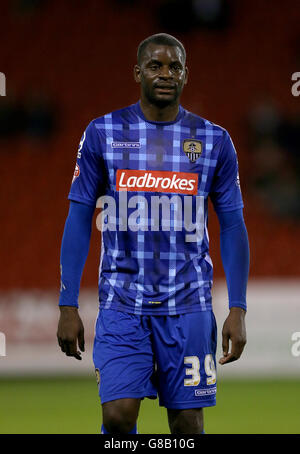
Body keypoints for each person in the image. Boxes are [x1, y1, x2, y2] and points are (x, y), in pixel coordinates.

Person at [57, 33, 249, 434]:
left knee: (187, 425)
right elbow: (77, 219)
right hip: (121, 303)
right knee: (118, 415)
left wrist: (238, 306)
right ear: (137, 72)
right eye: (155, 66)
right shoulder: (102, 133)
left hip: (191, 306)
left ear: (185, 75)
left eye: (174, 67)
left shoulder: (214, 140)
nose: (165, 74)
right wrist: (68, 303)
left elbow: (232, 224)